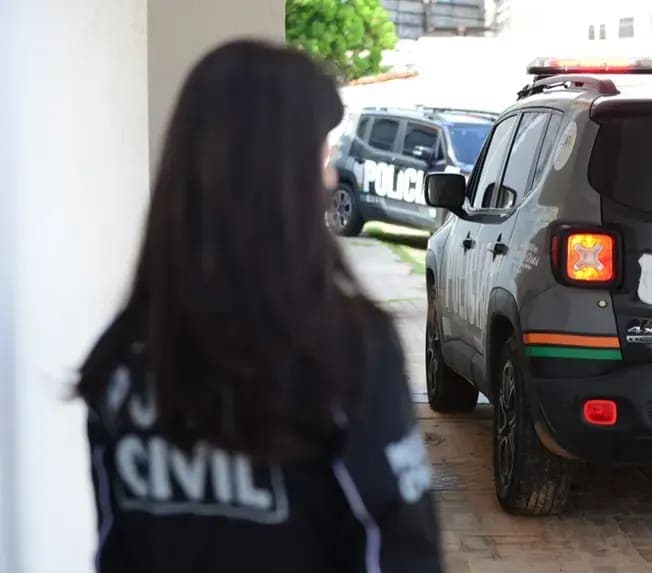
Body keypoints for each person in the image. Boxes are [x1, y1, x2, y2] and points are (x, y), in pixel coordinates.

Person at [76, 40, 442, 573]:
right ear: (276, 180)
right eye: (320, 155)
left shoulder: (122, 359)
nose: (332, 177)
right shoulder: (347, 350)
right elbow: (403, 550)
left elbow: (114, 549)